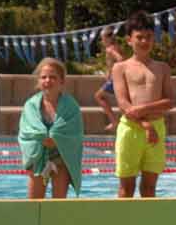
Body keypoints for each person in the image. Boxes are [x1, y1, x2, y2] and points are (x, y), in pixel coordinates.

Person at [113, 10, 174, 198]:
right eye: (139, 37)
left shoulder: (163, 68)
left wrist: (142, 109)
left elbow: (170, 101)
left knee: (149, 188)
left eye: (148, 37)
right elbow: (124, 104)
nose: (144, 41)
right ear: (129, 40)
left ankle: (147, 218)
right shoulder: (120, 68)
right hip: (131, 129)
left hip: (157, 127)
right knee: (127, 188)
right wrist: (145, 125)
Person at [18, 57, 84, 199]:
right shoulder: (30, 106)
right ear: (38, 81)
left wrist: (56, 139)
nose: (48, 80)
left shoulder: (71, 107)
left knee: (58, 205)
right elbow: (26, 133)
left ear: (62, 81)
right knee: (34, 204)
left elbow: (75, 134)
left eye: (53, 77)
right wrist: (42, 138)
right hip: (38, 157)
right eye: (44, 77)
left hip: (62, 157)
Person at [93, 30, 127, 130]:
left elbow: (121, 59)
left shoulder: (110, 49)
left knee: (98, 96)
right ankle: (119, 122)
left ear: (107, 38)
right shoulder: (115, 47)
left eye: (102, 38)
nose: (102, 41)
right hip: (117, 78)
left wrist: (113, 72)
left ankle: (114, 121)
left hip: (115, 79)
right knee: (122, 102)